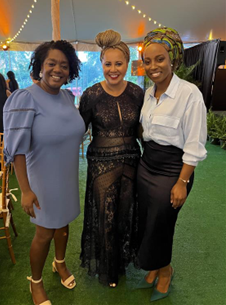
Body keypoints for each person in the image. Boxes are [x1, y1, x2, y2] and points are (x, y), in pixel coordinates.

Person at [3, 40, 85, 305]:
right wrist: (25, 190)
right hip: (41, 180)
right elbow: (16, 150)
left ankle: (59, 263)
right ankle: (35, 283)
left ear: (70, 69)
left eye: (64, 65)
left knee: (63, 226)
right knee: (45, 233)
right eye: (51, 63)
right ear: (40, 66)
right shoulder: (25, 97)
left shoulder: (67, 96)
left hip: (67, 176)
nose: (57, 69)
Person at [137, 27, 207, 301]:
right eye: (148, 61)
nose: (153, 66)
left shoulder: (190, 95)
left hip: (173, 171)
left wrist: (182, 182)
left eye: (160, 59)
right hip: (147, 165)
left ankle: (165, 270)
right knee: (146, 221)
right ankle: (156, 266)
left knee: (161, 223)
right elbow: (147, 132)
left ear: (173, 59)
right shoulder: (147, 93)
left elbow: (194, 145)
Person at [79, 29, 144, 287]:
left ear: (127, 64)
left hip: (131, 165)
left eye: (119, 64)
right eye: (108, 64)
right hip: (101, 167)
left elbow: (143, 130)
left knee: (125, 215)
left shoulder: (138, 94)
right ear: (101, 63)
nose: (113, 69)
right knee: (105, 217)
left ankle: (122, 262)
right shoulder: (91, 95)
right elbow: (76, 130)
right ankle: (108, 270)